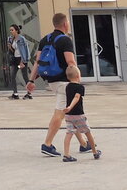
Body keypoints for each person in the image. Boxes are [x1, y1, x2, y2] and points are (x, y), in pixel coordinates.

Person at [26, 12, 89, 157]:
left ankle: (84, 144)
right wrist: (77, 80)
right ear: (65, 24)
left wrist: (31, 80)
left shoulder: (44, 40)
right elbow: (71, 62)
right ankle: (47, 144)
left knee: (70, 112)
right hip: (65, 83)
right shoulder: (65, 40)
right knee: (59, 113)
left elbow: (37, 61)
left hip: (52, 81)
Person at [61, 65, 101, 162]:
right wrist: (71, 106)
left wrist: (68, 108)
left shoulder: (67, 87)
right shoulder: (80, 87)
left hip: (69, 115)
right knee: (87, 132)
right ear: (78, 76)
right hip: (78, 114)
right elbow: (76, 97)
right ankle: (95, 152)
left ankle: (66, 155)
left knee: (69, 133)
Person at [6, 24, 32, 100]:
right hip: (15, 60)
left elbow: (24, 50)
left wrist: (23, 61)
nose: (11, 31)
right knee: (12, 75)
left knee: (24, 76)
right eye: (10, 30)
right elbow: (14, 51)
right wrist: (10, 47)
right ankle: (15, 93)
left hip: (21, 59)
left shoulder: (21, 39)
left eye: (12, 30)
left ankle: (29, 94)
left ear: (16, 30)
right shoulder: (10, 38)